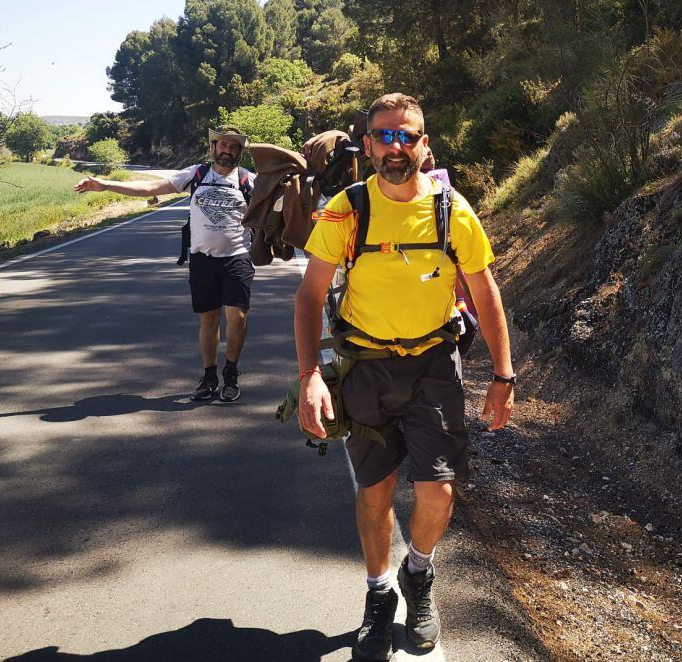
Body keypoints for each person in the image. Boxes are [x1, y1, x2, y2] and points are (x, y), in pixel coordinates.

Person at [294, 93, 515, 660]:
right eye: (384, 136)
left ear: (425, 144)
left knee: (437, 489)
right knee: (376, 489)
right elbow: (310, 294)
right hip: (364, 368)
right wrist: (310, 377)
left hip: (433, 367)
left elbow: (485, 291)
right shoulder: (346, 210)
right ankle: (378, 593)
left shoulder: (452, 210)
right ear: (367, 146)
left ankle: (418, 574)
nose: (396, 147)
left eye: (407, 136)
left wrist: (503, 373)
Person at [75, 126, 256, 402]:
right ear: (213, 147)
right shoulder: (196, 174)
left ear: (239, 152)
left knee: (237, 317)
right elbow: (149, 187)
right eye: (223, 145)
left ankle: (230, 375)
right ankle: (209, 377)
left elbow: (281, 200)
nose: (227, 151)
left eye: (233, 147)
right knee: (209, 319)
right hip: (202, 259)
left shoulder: (247, 180)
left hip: (236, 257)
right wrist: (107, 184)